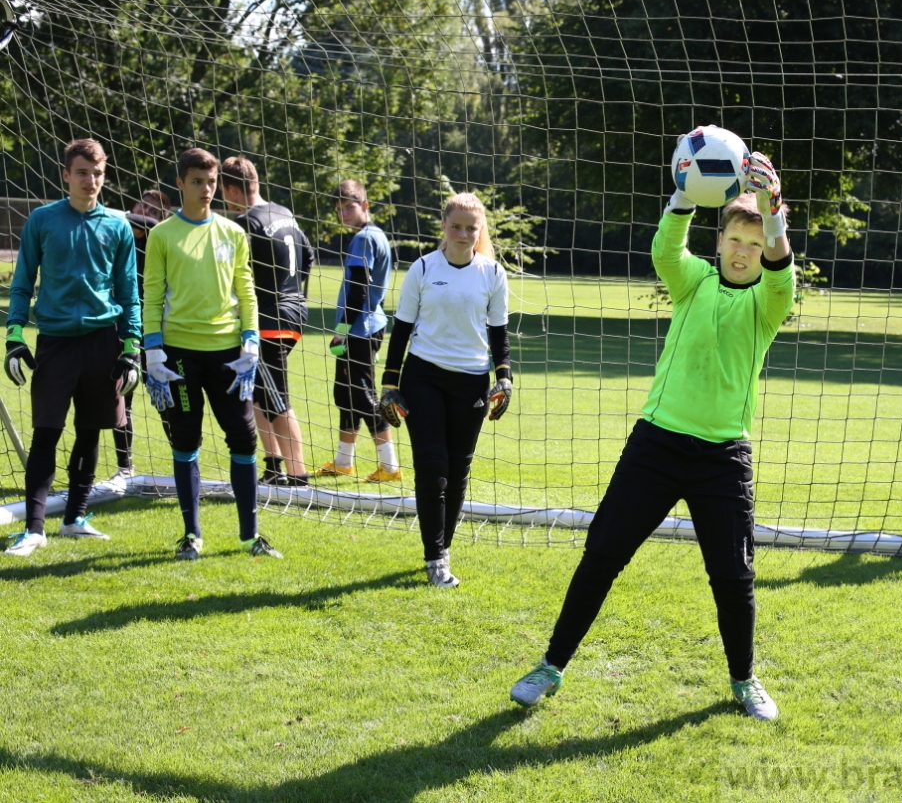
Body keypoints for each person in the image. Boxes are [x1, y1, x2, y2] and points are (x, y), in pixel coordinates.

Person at [509, 143, 794, 721]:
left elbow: (784, 270)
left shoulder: (768, 302)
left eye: (753, 243)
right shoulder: (691, 282)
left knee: (734, 578)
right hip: (656, 445)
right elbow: (667, 246)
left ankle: (743, 679)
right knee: (601, 556)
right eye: (734, 240)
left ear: (763, 250)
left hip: (723, 458)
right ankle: (551, 666)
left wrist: (773, 210)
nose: (743, 251)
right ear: (719, 244)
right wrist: (685, 193)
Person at [2, 138, 141, 556]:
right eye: (82, 172)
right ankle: (33, 529)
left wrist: (131, 345)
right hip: (55, 343)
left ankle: (75, 518)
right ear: (66, 174)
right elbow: (22, 282)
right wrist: (13, 337)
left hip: (103, 341)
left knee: (91, 431)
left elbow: (129, 290)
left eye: (97, 173)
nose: (91, 180)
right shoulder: (42, 221)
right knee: (47, 432)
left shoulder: (118, 226)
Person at [142, 147, 281, 560]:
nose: (206, 190)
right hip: (179, 355)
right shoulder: (162, 234)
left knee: (244, 438)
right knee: (185, 441)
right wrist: (152, 352)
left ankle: (249, 536)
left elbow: (246, 290)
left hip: (228, 355)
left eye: (212, 182)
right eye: (198, 182)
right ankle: (191, 535)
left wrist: (251, 340)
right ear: (181, 183)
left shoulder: (233, 232)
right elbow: (150, 295)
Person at [378, 192, 512, 588]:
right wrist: (389, 384)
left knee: (457, 472)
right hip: (424, 378)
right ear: (444, 226)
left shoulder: (492, 273)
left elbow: (498, 334)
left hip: (471, 381)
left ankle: (442, 547)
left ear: (480, 230)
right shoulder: (422, 268)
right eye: (456, 226)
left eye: (471, 228)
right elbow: (401, 329)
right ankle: (436, 558)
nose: (463, 234)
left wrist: (504, 377)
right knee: (432, 469)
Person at [219, 156, 314, 487]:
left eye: (222, 190)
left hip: (269, 318)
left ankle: (298, 475)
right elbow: (309, 256)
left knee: (276, 397)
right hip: (294, 310)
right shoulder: (283, 212)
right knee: (257, 392)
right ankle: (274, 464)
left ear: (231, 188)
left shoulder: (245, 223)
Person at [317, 180, 399, 483]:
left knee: (362, 395)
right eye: (339, 210)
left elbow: (359, 288)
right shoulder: (376, 235)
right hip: (365, 326)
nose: (343, 213)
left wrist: (342, 329)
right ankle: (343, 462)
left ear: (365, 206)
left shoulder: (364, 239)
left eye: (349, 207)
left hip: (360, 329)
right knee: (346, 394)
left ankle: (390, 468)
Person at [111, 189, 174, 481]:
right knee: (121, 396)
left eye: (152, 210)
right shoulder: (120, 239)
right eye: (141, 206)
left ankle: (183, 460)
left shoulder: (159, 239)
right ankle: (125, 467)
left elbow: (148, 223)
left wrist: (122, 213)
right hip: (121, 329)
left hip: (155, 332)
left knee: (164, 398)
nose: (144, 212)